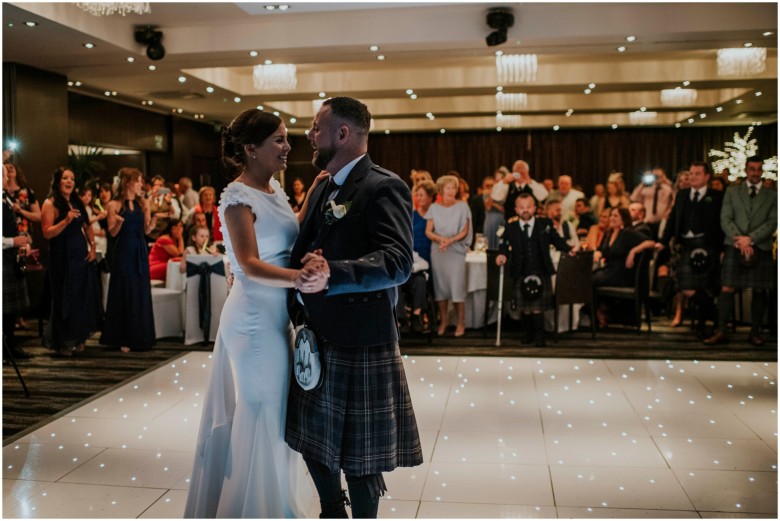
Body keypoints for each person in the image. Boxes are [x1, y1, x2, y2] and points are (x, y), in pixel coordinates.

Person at [286, 97, 423, 519]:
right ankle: (332, 510)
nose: (310, 136)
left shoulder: (383, 185)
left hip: (361, 339)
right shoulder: (326, 185)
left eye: (316, 128)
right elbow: (301, 248)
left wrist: (335, 273)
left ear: (342, 133)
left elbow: (399, 261)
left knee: (361, 457)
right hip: (317, 333)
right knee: (311, 439)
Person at [185, 109, 325, 518]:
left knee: (276, 410)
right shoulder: (236, 196)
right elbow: (248, 263)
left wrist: (314, 196)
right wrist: (299, 278)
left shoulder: (274, 189)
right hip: (251, 318)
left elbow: (287, 231)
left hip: (275, 316)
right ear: (251, 148)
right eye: (279, 140)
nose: (287, 147)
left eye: (286, 139)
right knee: (261, 409)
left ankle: (274, 503)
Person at [705, 156, 777, 346]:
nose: (755, 173)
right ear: (746, 170)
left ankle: (755, 332)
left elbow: (772, 222)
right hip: (734, 245)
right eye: (751, 169)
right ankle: (722, 330)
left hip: (760, 246)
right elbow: (725, 219)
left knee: (760, 290)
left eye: (758, 169)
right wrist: (740, 239)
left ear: (762, 171)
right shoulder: (732, 192)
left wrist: (751, 239)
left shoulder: (772, 195)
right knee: (727, 287)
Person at [497, 193, 573, 346]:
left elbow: (557, 240)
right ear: (516, 209)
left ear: (535, 208)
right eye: (522, 207)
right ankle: (527, 334)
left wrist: (569, 249)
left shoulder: (544, 224)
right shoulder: (510, 227)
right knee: (525, 307)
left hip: (541, 270)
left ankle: (540, 336)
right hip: (520, 271)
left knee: (538, 307)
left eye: (529, 207)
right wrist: (501, 255)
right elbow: (503, 245)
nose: (525, 210)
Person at [658, 161, 724, 337]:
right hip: (685, 246)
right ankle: (714, 312)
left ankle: (703, 327)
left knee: (705, 287)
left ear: (706, 177)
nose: (692, 177)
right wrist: (663, 241)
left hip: (707, 247)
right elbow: (672, 220)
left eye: (697, 174)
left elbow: (721, 225)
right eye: (691, 173)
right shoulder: (682, 195)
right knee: (682, 284)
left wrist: (721, 249)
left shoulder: (716, 197)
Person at [40, 168, 100, 356]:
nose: (69, 181)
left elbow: (87, 226)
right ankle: (62, 342)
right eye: (65, 178)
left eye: (72, 179)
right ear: (58, 181)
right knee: (63, 298)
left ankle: (79, 338)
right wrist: (65, 221)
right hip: (60, 255)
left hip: (79, 254)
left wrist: (92, 247)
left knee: (80, 297)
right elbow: (47, 233)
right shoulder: (49, 203)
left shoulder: (77, 201)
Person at [100, 168, 157, 353]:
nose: (141, 184)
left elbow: (146, 231)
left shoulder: (144, 203)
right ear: (127, 183)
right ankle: (122, 336)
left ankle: (140, 336)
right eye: (138, 181)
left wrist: (152, 225)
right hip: (123, 250)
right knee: (124, 290)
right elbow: (112, 233)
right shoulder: (114, 205)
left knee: (139, 290)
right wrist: (118, 222)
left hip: (139, 250)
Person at [592, 207, 656, 327]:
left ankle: (599, 312)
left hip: (621, 273)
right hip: (609, 270)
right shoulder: (609, 233)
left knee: (590, 280)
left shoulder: (628, 233)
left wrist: (633, 251)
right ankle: (597, 312)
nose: (612, 218)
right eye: (611, 215)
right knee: (585, 279)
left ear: (623, 219)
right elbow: (602, 251)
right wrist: (598, 253)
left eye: (616, 216)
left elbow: (650, 243)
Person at [426, 174, 472, 337]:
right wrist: (441, 240)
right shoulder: (434, 208)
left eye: (453, 187)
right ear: (441, 190)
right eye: (448, 188)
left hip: (456, 251)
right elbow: (428, 231)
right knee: (441, 288)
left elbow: (465, 230)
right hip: (439, 252)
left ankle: (461, 322)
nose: (451, 191)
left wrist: (450, 241)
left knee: (457, 286)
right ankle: (444, 321)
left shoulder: (463, 206)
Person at [2, 164, 33, 358]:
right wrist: (14, 241)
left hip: (10, 257)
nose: (7, 179)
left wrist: (23, 240)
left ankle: (10, 346)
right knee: (3, 309)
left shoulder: (5, 198)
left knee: (11, 310)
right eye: (4, 175)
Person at [398, 179, 436, 333]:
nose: (418, 198)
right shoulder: (411, 215)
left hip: (429, 254)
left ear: (429, 197)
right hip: (412, 255)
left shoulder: (435, 213)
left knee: (427, 285)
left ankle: (424, 318)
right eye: (417, 195)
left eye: (421, 195)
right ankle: (406, 318)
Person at [630, 166, 675, 237]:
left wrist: (666, 181)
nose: (657, 178)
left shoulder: (667, 188)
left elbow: (675, 198)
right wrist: (643, 183)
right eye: (655, 176)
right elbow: (633, 198)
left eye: (659, 176)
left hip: (662, 222)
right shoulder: (646, 189)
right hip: (647, 221)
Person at [468, 175, 495, 246]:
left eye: (491, 186)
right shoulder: (476, 200)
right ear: (483, 187)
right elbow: (473, 219)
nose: (489, 188)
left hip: (494, 232)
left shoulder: (499, 200)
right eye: (487, 186)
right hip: (480, 234)